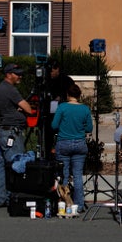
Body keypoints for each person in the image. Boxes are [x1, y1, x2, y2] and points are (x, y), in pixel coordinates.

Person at [0, 63, 33, 208]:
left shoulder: (1, 88)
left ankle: (0, 198)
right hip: (12, 132)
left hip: (5, 130)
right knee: (16, 164)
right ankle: (13, 198)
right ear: (9, 74)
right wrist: (23, 109)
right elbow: (28, 109)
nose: (20, 76)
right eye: (17, 74)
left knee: (2, 164)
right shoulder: (10, 89)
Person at [51, 83, 93, 213]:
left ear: (68, 95)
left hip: (64, 142)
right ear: (79, 96)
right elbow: (89, 128)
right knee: (78, 176)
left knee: (63, 175)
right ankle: (79, 205)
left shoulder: (62, 107)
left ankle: (64, 203)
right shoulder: (85, 109)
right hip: (79, 143)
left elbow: (54, 125)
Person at [44, 59, 75, 159]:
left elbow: (73, 95)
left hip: (64, 115)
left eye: (52, 71)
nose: (50, 73)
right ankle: (48, 156)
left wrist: (61, 98)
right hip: (50, 115)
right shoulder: (47, 81)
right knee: (48, 138)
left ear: (57, 69)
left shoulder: (66, 80)